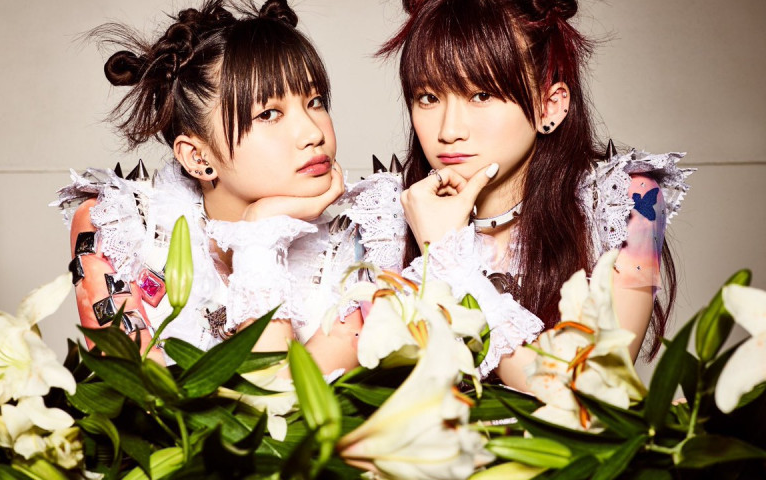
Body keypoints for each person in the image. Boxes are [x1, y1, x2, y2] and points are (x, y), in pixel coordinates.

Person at [53, 0, 405, 374]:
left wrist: (260, 234)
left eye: (315, 101)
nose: (313, 133)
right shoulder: (117, 227)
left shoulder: (367, 249)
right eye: (269, 113)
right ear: (197, 157)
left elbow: (281, 394)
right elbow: (144, 393)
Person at [380, 0, 692, 388]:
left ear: (550, 106)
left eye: (481, 95)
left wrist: (447, 258)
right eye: (428, 97)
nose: (449, 130)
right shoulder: (382, 219)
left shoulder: (627, 204)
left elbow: (593, 389)